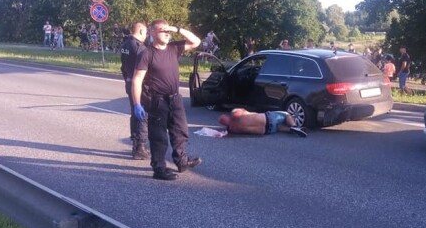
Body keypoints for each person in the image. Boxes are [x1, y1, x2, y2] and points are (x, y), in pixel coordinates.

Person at [131, 19, 202, 181]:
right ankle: (159, 168)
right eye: (163, 30)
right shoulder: (146, 53)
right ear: (153, 33)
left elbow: (196, 42)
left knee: (180, 131)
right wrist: (136, 104)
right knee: (159, 136)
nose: (167, 33)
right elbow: (137, 80)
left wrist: (176, 28)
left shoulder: (174, 48)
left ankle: (181, 161)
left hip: (175, 99)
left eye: (168, 31)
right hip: (157, 101)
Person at [120, 22, 150, 160]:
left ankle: (135, 143)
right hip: (139, 85)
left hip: (129, 82)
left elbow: (123, 67)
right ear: (141, 31)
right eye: (146, 32)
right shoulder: (139, 47)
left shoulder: (125, 44)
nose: (147, 35)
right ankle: (140, 148)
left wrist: (127, 80)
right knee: (142, 116)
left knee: (135, 113)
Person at [218, 108, 307, 137]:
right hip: (268, 119)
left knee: (279, 127)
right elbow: (240, 110)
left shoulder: (233, 130)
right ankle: (295, 126)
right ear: (227, 116)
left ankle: (290, 129)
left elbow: (228, 132)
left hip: (266, 131)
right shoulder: (235, 113)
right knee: (286, 114)